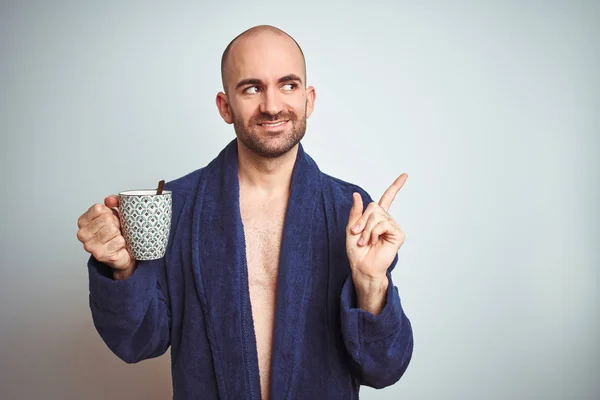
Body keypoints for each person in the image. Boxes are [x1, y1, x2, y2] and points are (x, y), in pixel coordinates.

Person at [76, 25, 413, 400]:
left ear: (309, 99)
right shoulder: (177, 205)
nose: (272, 105)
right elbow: (138, 342)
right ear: (225, 106)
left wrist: (371, 285)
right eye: (252, 88)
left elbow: (383, 369)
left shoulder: (347, 210)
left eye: (288, 85)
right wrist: (123, 270)